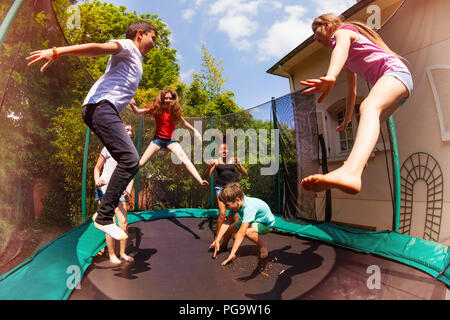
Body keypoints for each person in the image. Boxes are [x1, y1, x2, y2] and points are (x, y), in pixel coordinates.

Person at [27, 20, 158, 240]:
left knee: (128, 160)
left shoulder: (135, 60)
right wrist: (57, 52)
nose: (154, 43)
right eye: (153, 37)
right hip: (100, 107)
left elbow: (119, 83)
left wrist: (132, 104)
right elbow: (97, 48)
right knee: (130, 159)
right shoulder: (127, 46)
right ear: (140, 34)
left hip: (103, 108)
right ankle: (104, 216)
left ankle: (105, 214)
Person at [300, 13, 413, 195]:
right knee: (366, 126)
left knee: (369, 107)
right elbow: (351, 89)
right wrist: (346, 119)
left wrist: (330, 76)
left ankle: (350, 171)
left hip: (395, 73)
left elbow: (341, 49)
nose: (314, 38)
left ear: (328, 25)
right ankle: (354, 167)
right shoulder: (345, 53)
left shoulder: (343, 32)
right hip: (401, 85)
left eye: (316, 31)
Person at [129, 89, 209, 186]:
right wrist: (132, 105)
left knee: (185, 160)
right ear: (162, 99)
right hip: (157, 140)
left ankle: (200, 181)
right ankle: (125, 178)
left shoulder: (175, 111)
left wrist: (195, 130)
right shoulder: (156, 108)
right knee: (140, 164)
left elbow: (184, 122)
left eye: (170, 98)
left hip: (170, 141)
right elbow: (138, 112)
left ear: (174, 99)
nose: (167, 100)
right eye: (165, 98)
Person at [94, 121, 134, 264]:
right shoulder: (108, 148)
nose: (130, 133)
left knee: (123, 223)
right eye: (127, 130)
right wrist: (97, 180)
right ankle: (111, 254)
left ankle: (122, 253)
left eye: (131, 131)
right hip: (105, 188)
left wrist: (128, 191)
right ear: (120, 131)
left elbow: (131, 174)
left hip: (119, 191)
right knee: (109, 222)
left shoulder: (129, 151)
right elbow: (97, 168)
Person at [204, 141, 248, 258]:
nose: (223, 152)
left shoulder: (234, 160)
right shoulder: (216, 162)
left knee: (235, 217)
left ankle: (234, 241)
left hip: (232, 190)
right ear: (218, 151)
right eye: (221, 150)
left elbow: (245, 173)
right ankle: (217, 239)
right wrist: (209, 167)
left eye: (225, 150)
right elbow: (207, 175)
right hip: (221, 189)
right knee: (222, 214)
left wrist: (240, 164)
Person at [216, 183, 275, 266]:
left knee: (247, 232)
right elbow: (227, 222)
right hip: (253, 220)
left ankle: (262, 246)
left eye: (227, 205)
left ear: (237, 200)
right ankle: (223, 245)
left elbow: (241, 233)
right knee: (229, 229)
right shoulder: (237, 203)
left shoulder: (248, 207)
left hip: (266, 224)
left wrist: (232, 253)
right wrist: (217, 240)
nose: (225, 207)